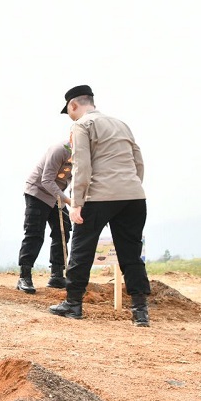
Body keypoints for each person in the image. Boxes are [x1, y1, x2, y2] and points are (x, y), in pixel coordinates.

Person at [49, 85, 151, 327]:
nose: (70, 116)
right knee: (131, 254)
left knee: (82, 250)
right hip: (134, 197)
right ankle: (140, 312)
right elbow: (138, 161)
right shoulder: (121, 123)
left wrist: (76, 203)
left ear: (73, 105)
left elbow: (81, 166)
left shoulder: (81, 125)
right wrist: (130, 186)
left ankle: (73, 304)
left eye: (69, 111)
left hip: (99, 197)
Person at [16, 140, 73, 293]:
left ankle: (57, 275)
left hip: (56, 195)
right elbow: (46, 180)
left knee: (63, 230)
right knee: (35, 232)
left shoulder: (84, 153)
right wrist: (68, 200)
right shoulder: (59, 150)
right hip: (38, 192)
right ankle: (24, 276)